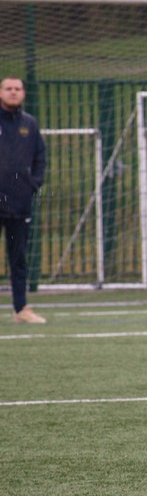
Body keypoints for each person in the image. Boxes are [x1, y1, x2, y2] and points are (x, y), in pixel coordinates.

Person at [1, 76, 47, 324]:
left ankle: (21, 309)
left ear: (23, 93)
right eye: (8, 88)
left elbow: (40, 156)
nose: (13, 92)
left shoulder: (29, 124)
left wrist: (33, 183)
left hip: (19, 203)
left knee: (18, 258)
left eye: (17, 88)